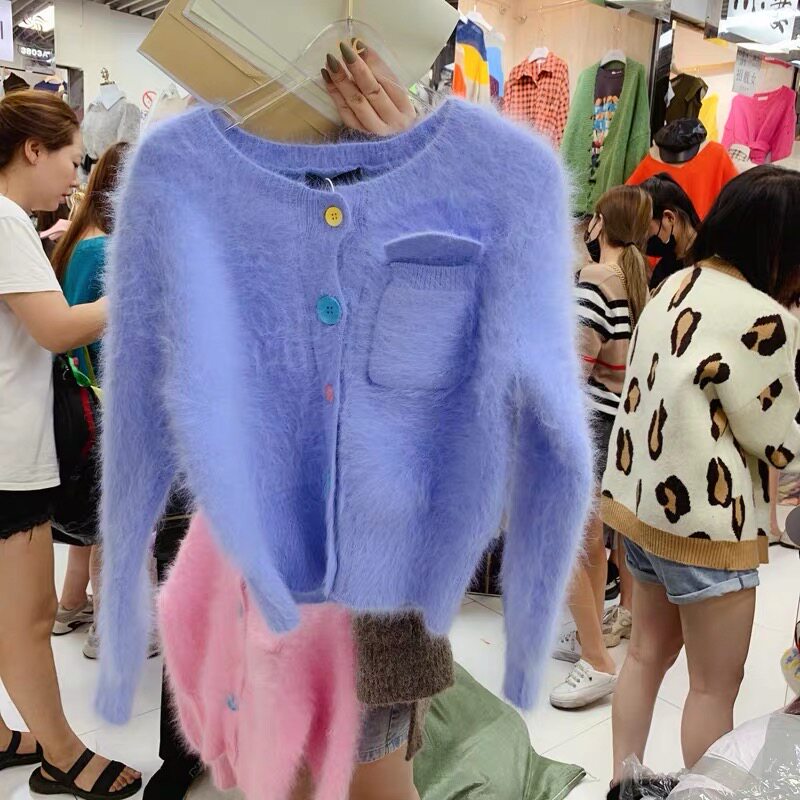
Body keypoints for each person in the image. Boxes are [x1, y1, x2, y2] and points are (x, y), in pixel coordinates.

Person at [602, 165, 800, 783]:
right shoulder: (763, 316)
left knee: (643, 657)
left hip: (641, 508)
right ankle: (705, 796)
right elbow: (778, 439)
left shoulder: (672, 284)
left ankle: (622, 784)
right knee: (714, 686)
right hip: (708, 523)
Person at [0, 89, 141, 798]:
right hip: (8, 454)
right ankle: (63, 756)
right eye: (72, 160)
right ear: (34, 149)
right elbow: (56, 330)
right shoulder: (6, 221)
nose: (75, 178)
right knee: (26, 618)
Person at [549, 185, 652, 710]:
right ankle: (586, 638)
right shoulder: (636, 282)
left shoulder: (594, 278)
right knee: (590, 539)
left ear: (599, 225)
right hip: (613, 424)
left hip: (581, 420)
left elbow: (575, 360)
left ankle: (596, 659)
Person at [49, 142, 131, 661]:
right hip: (105, 397)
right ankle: (108, 628)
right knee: (112, 520)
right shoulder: (107, 251)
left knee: (92, 518)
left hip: (80, 396)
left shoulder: (79, 240)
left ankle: (71, 604)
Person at [638, 173, 701, 289]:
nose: (643, 239)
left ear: (669, 218)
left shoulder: (715, 260)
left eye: (646, 229)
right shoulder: (662, 272)